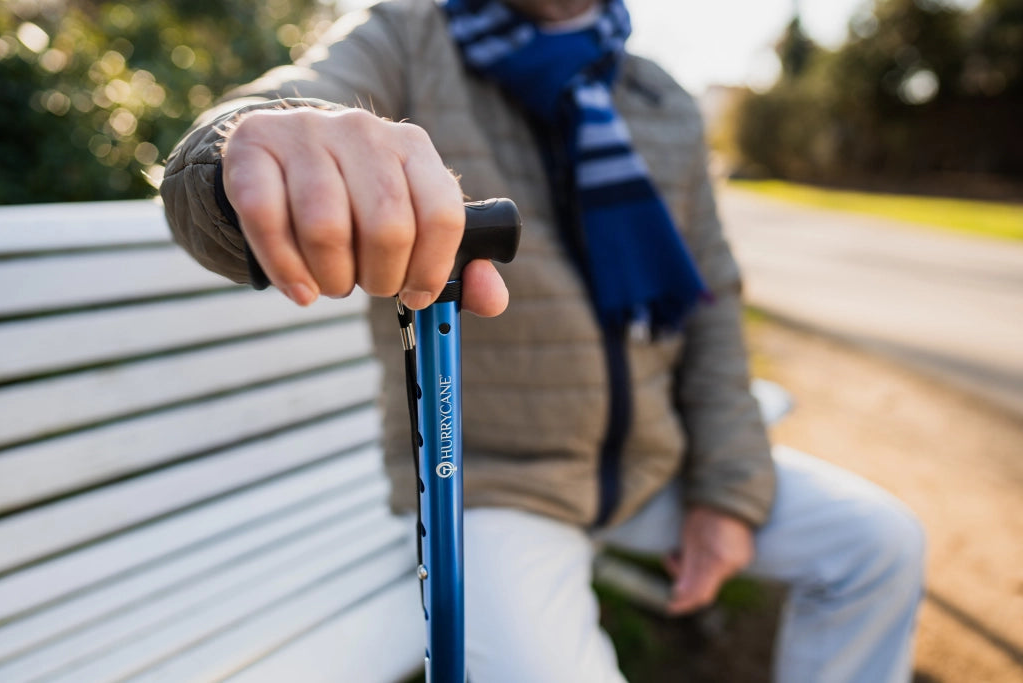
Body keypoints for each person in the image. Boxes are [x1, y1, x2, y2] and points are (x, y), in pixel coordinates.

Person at [160, 0, 926, 680]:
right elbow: (269, 117)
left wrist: (727, 490)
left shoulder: (657, 95)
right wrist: (244, 153)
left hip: (652, 460)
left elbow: (711, 306)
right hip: (496, 481)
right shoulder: (407, 35)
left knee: (878, 545)